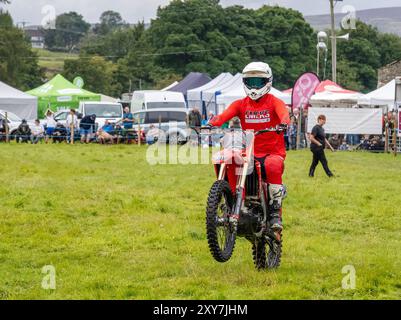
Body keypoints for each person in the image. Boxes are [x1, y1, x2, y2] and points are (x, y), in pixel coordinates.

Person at [208, 61, 290, 232]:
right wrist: (212, 123)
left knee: (272, 165)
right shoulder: (240, 104)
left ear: (267, 81)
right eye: (250, 82)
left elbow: (283, 113)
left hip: (271, 152)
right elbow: (224, 116)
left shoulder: (274, 101)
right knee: (231, 159)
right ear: (244, 83)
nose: (254, 86)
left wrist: (283, 123)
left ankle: (275, 212)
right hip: (249, 151)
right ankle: (233, 202)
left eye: (258, 82)